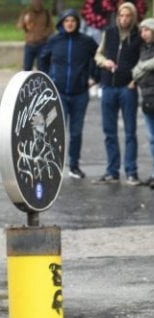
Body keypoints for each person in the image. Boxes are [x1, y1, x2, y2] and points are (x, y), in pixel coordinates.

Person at [40, 9, 99, 180]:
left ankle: (74, 166)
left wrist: (95, 78)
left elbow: (99, 57)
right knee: (55, 132)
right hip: (58, 94)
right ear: (62, 23)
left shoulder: (86, 41)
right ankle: (52, 166)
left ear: (77, 23)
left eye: (73, 20)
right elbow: (43, 59)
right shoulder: (54, 40)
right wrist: (47, 79)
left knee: (76, 132)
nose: (70, 23)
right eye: (67, 21)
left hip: (80, 94)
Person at [93, 1, 142, 185]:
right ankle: (112, 171)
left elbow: (142, 60)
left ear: (133, 17)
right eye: (121, 15)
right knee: (109, 132)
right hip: (108, 86)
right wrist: (104, 62)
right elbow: (98, 54)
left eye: (128, 15)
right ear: (117, 16)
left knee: (130, 132)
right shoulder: (110, 32)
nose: (124, 18)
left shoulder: (138, 36)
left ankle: (131, 171)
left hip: (127, 88)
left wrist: (134, 80)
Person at [132, 17, 154, 188]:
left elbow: (141, 68)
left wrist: (143, 66)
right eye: (142, 30)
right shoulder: (143, 48)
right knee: (152, 138)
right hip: (147, 98)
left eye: (146, 30)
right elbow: (136, 73)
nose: (143, 33)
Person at [17, 0, 53, 72]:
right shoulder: (26, 12)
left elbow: (51, 28)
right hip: (30, 44)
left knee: (42, 68)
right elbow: (19, 26)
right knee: (27, 68)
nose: (37, 2)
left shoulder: (46, 13)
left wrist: (43, 34)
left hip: (42, 44)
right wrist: (25, 21)